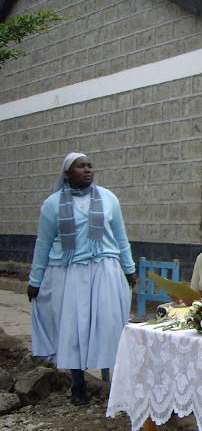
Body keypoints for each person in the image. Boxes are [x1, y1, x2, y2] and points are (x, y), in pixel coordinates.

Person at [27, 152, 137, 406]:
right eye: (80, 166)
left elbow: (120, 237)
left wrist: (129, 269)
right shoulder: (52, 204)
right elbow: (43, 244)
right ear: (67, 173)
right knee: (74, 328)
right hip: (69, 271)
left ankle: (118, 386)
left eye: (90, 166)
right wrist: (35, 280)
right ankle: (78, 385)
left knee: (109, 325)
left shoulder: (108, 198)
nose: (88, 170)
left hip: (105, 268)